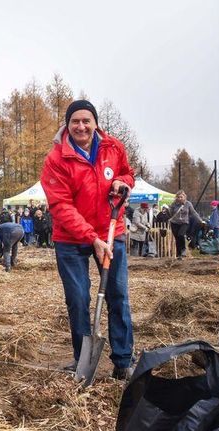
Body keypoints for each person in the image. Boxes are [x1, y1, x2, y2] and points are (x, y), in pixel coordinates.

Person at [40, 99, 135, 380]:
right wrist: (91, 237)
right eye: (75, 122)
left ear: (95, 123)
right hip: (71, 239)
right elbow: (61, 206)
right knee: (79, 298)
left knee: (118, 295)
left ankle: (123, 359)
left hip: (111, 231)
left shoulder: (113, 147)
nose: (81, 126)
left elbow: (128, 173)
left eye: (86, 120)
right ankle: (83, 359)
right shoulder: (56, 159)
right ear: (67, 125)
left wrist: (123, 182)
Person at [169, 190, 204, 260]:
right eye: (178, 197)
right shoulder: (174, 204)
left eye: (181, 197)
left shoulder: (188, 204)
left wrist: (200, 220)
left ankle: (183, 249)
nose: (180, 198)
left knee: (181, 235)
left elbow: (194, 213)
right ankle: (179, 255)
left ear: (184, 197)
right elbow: (171, 213)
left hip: (184, 223)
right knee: (177, 239)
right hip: (174, 223)